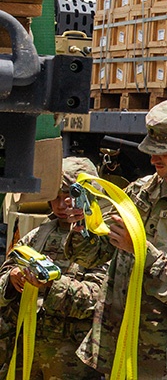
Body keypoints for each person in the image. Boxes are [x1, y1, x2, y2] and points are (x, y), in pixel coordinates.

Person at [67, 99, 167, 380]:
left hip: (158, 359)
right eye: (151, 149)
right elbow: (92, 257)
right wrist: (84, 225)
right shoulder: (140, 191)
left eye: (164, 151)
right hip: (115, 346)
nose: (154, 158)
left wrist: (143, 253)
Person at [0, 156, 105, 380]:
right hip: (26, 352)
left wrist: (51, 285)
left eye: (67, 195)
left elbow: (100, 299)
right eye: (55, 196)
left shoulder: (101, 241)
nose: (59, 204)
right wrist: (12, 280)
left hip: (72, 363)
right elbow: (6, 273)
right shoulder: (39, 234)